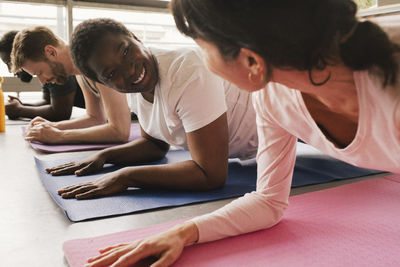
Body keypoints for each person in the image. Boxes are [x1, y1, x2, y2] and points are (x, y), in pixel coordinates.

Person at [82, 1, 400, 266]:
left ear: (250, 60)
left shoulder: (389, 81)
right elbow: (269, 202)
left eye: (202, 48)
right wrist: (184, 231)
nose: (200, 60)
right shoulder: (272, 98)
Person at [45, 18, 258, 198]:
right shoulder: (134, 88)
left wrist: (127, 176)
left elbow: (210, 174)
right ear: (103, 83)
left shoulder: (187, 70)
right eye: (111, 74)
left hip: (286, 123)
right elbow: (154, 144)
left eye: (126, 51)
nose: (129, 70)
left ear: (136, 38)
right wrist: (105, 156)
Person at [10, 26, 131, 144]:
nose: (42, 81)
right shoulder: (80, 71)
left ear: (51, 52)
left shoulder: (97, 60)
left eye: (40, 73)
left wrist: (59, 136)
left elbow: (120, 131)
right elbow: (95, 119)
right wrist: (53, 127)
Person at [0, 30, 85, 121]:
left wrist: (19, 110)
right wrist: (22, 105)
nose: (10, 70)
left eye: (10, 63)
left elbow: (60, 113)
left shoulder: (58, 69)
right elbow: (48, 101)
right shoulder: (47, 69)